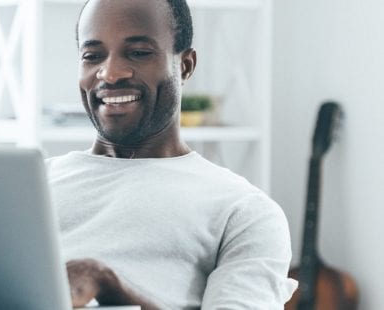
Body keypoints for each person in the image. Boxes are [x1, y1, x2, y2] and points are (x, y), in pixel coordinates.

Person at [46, 0, 298, 308]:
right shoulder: (30, 185)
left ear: (186, 65)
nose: (110, 74)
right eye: (92, 56)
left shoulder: (244, 211)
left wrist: (107, 286)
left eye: (138, 53)